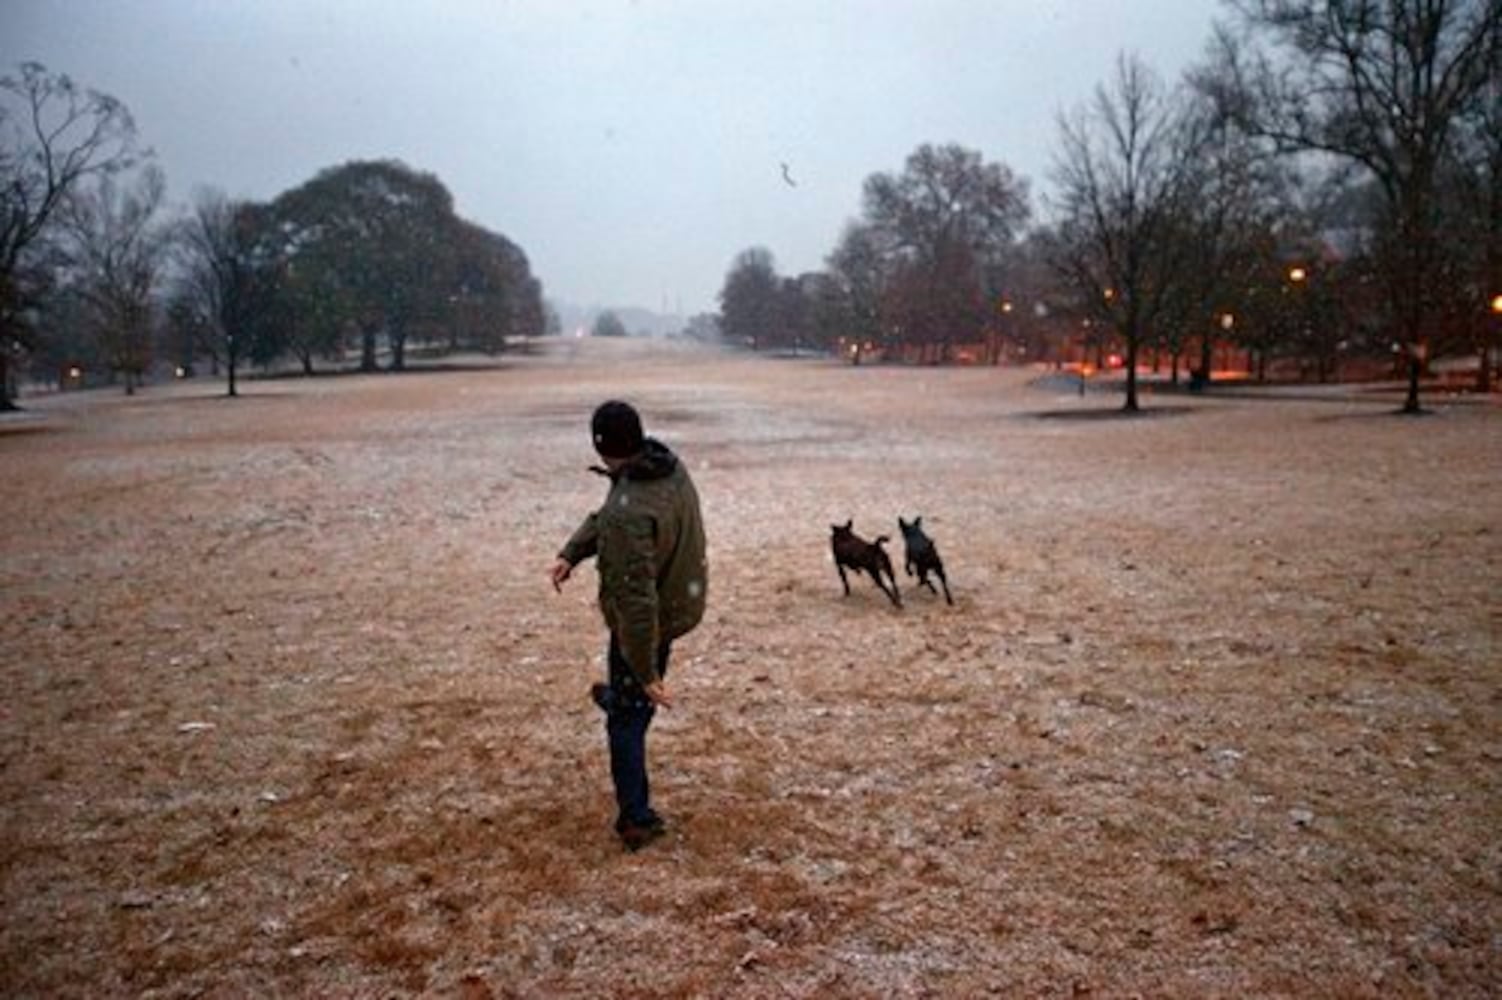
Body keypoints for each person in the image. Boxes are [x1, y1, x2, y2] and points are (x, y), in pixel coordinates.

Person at [550, 400, 707, 851]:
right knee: (632, 698)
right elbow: (611, 518)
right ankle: (625, 693)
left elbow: (636, 605)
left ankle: (635, 819)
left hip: (652, 619)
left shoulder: (629, 507)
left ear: (601, 447)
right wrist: (572, 552)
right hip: (677, 600)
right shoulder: (663, 468)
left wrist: (646, 674)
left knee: (629, 718)